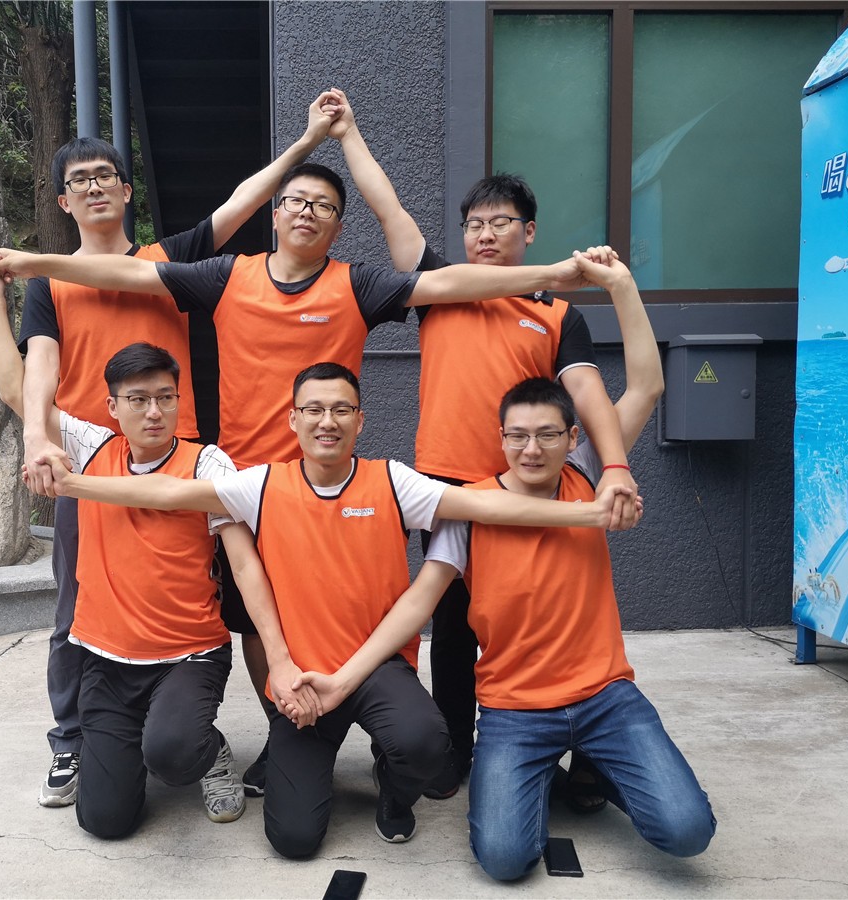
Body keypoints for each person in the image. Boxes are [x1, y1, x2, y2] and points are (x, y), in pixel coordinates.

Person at [0, 150, 611, 797]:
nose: (308, 212)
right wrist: (32, 266)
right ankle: (287, 722)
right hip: (250, 487)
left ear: (338, 225)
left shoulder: (356, 285)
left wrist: (559, 275)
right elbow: (128, 274)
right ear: (276, 213)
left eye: (324, 207)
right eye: (296, 201)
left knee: (361, 611)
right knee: (257, 622)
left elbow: (444, 283)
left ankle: (391, 732)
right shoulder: (228, 275)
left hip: (329, 484)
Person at [27, 353, 636, 859]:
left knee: (427, 743)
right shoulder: (261, 484)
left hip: (375, 667)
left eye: (341, 409)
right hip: (304, 677)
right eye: (314, 409)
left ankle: (393, 792)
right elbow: (167, 491)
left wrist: (590, 513)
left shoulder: (392, 481)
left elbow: (487, 505)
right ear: (292, 419)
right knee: (292, 840)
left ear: (360, 420)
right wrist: (70, 485)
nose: (327, 421)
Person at [291, 253, 715, 881]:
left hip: (605, 697)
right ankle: (544, 772)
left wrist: (621, 285)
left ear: (574, 439)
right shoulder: (470, 509)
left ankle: (599, 766)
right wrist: (342, 679)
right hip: (515, 711)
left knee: (686, 831)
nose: (531, 449)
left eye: (548, 435)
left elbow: (647, 387)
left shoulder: (589, 478)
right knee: (505, 858)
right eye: (516, 435)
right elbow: (418, 602)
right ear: (500, 438)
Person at [17, 94, 343, 808]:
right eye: (79, 180)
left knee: (203, 593)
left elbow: (243, 203)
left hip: (179, 461)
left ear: (127, 190)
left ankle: (190, 722)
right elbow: (38, 365)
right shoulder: (47, 281)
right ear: (64, 201)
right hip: (89, 461)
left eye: (106, 176)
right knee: (75, 609)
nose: (95, 187)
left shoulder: (169, 260)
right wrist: (40, 436)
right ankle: (73, 740)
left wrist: (305, 142)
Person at [327, 87, 638, 793]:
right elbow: (387, 208)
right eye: (474, 225)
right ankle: (455, 752)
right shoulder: (440, 287)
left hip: (527, 488)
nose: (485, 235)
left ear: (530, 231)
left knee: (538, 616)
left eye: (501, 223)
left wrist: (615, 466)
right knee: (452, 628)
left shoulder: (557, 314)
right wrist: (348, 134)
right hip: (446, 490)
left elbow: (589, 397)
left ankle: (569, 744)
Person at [0, 256, 299, 837]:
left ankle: (206, 750)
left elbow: (243, 564)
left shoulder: (209, 462)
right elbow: (16, 391)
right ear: (112, 407)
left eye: (166, 398)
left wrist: (278, 657)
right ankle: (148, 744)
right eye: (139, 399)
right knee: (105, 821)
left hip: (189, 655)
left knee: (171, 754)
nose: (155, 412)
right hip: (108, 658)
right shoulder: (92, 445)